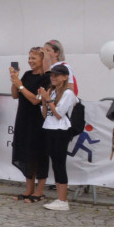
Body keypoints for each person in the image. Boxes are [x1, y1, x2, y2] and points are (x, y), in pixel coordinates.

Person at [8, 47, 50, 202]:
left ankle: (39, 191)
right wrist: (14, 80)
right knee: (25, 152)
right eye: (29, 58)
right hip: (23, 117)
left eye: (34, 58)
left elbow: (36, 100)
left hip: (38, 119)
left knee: (39, 153)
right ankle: (29, 188)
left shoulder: (47, 78)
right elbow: (14, 95)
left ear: (42, 60)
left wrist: (20, 85)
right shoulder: (26, 75)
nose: (30, 61)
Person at [39, 65, 76, 212]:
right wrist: (44, 101)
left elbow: (59, 114)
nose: (53, 78)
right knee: (54, 164)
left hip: (61, 130)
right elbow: (45, 115)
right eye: (52, 75)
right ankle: (60, 198)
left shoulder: (68, 93)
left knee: (59, 164)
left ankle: (62, 200)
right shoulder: (53, 92)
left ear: (65, 77)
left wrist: (48, 101)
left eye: (57, 75)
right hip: (49, 128)